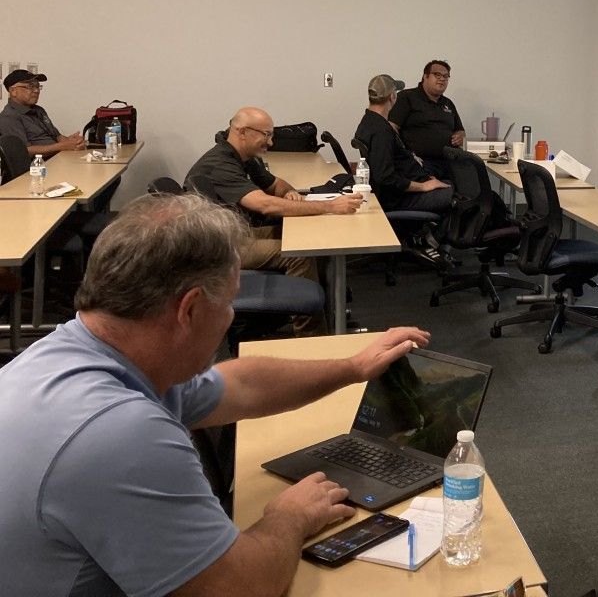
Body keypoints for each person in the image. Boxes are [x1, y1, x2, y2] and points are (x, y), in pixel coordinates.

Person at [0, 192, 431, 597]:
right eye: (228, 303)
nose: (230, 317)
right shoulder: (116, 430)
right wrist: (289, 518)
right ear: (188, 309)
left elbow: (240, 385)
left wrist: (353, 368)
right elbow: (240, 586)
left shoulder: (75, 353)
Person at [184, 107, 362, 286]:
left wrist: (289, 192)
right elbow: (265, 205)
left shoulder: (243, 156)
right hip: (220, 246)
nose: (270, 142)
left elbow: (276, 185)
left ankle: (325, 303)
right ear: (243, 132)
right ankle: (304, 313)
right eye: (266, 135)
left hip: (236, 231)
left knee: (309, 237)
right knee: (299, 255)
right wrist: (330, 206)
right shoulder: (221, 164)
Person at [355, 74, 453, 214]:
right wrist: (423, 186)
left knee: (455, 187)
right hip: (400, 197)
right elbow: (385, 177)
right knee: (465, 197)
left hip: (399, 191)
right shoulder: (381, 131)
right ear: (392, 97)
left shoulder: (368, 121)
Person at [388, 59, 465, 178]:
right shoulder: (407, 97)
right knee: (446, 190)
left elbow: (460, 130)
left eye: (446, 76)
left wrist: (460, 136)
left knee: (474, 183)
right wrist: (407, 155)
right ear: (425, 76)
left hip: (448, 163)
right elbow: (391, 129)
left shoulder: (448, 103)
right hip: (419, 163)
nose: (442, 79)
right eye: (437, 74)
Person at [0, 69, 85, 156]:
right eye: (30, 86)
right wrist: (61, 146)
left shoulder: (39, 110)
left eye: (37, 86)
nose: (36, 90)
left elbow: (57, 136)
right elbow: (23, 151)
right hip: (38, 166)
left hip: (58, 158)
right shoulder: (9, 116)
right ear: (13, 91)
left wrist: (73, 142)